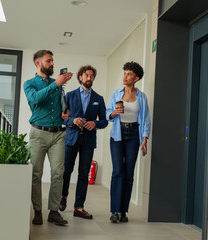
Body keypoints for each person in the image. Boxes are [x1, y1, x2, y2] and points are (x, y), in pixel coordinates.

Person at [23, 50, 72, 226]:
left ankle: (53, 211)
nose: (52, 63)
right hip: (38, 134)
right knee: (36, 174)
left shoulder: (57, 83)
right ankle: (37, 211)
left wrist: (65, 111)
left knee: (58, 173)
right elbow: (35, 99)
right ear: (38, 63)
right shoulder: (29, 84)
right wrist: (56, 84)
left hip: (58, 133)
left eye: (53, 60)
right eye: (48, 61)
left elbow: (60, 103)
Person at [59, 65, 108, 219]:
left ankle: (79, 207)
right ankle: (63, 197)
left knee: (83, 174)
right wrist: (73, 120)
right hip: (71, 138)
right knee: (66, 170)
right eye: (87, 75)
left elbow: (105, 121)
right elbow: (62, 118)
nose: (89, 78)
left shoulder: (98, 99)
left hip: (88, 140)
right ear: (80, 77)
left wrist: (95, 123)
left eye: (92, 76)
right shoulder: (70, 96)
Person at [106, 61, 151, 223]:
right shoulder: (116, 94)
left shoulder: (142, 97)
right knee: (118, 171)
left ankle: (123, 210)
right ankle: (115, 210)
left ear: (136, 78)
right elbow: (107, 113)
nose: (125, 76)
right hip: (118, 133)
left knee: (129, 173)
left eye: (129, 74)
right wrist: (113, 114)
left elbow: (145, 119)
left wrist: (144, 139)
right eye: (124, 73)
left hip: (134, 135)